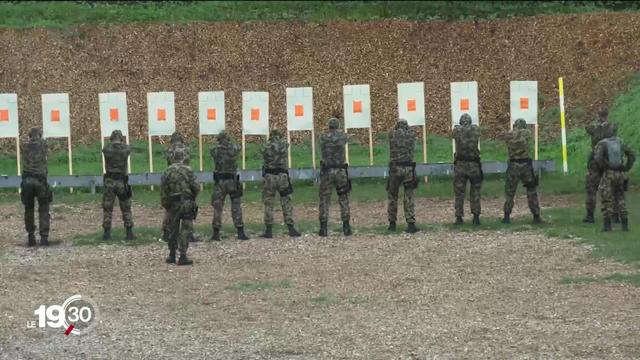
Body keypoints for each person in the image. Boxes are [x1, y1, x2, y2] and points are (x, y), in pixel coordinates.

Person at [160, 150, 199, 265]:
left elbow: (163, 189)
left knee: (173, 229)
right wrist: (193, 198)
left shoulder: (167, 171)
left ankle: (172, 255)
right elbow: (196, 187)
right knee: (186, 229)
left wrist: (165, 203)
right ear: (183, 158)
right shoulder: (188, 170)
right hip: (186, 202)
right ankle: (182, 255)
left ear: (172, 158)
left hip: (172, 204)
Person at [260, 129, 301, 238]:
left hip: (269, 177)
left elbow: (263, 153)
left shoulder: (266, 146)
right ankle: (291, 228)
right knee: (286, 202)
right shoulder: (284, 144)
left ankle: (268, 230)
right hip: (282, 176)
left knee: (269, 203)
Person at [594, 127, 635, 232]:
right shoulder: (620, 142)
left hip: (608, 174)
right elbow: (632, 154)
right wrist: (626, 167)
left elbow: (597, 158)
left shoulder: (602, 143)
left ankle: (607, 226)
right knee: (621, 198)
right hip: (620, 174)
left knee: (607, 198)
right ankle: (625, 226)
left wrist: (603, 167)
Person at [502, 118, 542, 224]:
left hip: (513, 165)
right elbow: (529, 136)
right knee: (531, 190)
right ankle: (536, 216)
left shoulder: (509, 134)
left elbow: (506, 139)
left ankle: (506, 216)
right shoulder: (526, 133)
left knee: (510, 192)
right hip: (525, 165)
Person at [210, 131, 249, 241]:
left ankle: (216, 233)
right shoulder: (234, 148)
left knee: (218, 207)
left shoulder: (215, 150)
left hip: (220, 182)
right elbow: (238, 147)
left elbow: (212, 149)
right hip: (232, 181)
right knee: (236, 206)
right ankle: (240, 232)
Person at [318, 117, 352, 237]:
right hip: (340, 171)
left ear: (329, 126)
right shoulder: (343, 136)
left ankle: (323, 228)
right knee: (343, 198)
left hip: (327, 171)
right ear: (338, 126)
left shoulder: (323, 137)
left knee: (324, 199)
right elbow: (347, 137)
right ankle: (346, 227)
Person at [584, 108, 618, 223]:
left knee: (591, 188)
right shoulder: (613, 127)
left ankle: (590, 215)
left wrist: (597, 121)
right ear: (607, 115)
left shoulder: (593, 127)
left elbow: (587, 128)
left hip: (595, 160)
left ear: (598, 115)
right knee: (612, 188)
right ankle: (615, 215)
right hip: (609, 160)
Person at [101, 130, 135, 241]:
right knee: (126, 207)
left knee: (107, 208)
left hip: (109, 181)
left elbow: (105, 148)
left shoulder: (106, 149)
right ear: (121, 138)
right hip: (121, 182)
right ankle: (129, 232)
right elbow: (127, 149)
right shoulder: (125, 149)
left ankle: (106, 233)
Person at [20, 127, 51, 246]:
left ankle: (31, 236)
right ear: (40, 135)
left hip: (27, 180)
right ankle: (44, 237)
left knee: (29, 209)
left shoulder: (24, 145)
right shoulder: (44, 144)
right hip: (40, 181)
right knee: (43, 208)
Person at [387, 119, 418, 233]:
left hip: (395, 169)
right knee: (408, 195)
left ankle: (392, 223)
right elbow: (412, 133)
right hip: (408, 168)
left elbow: (390, 131)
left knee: (392, 196)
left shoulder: (392, 135)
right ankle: (411, 224)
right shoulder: (411, 135)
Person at [452, 113, 482, 225]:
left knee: (459, 193)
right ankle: (476, 217)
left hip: (460, 165)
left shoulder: (457, 130)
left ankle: (459, 217)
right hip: (474, 165)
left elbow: (454, 133)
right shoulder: (475, 130)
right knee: (475, 192)